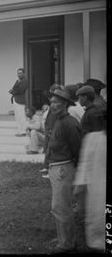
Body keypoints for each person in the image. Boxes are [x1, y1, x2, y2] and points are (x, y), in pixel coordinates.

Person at [45, 88, 82, 254]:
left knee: (61, 207)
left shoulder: (70, 123)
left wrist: (69, 168)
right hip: (55, 167)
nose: (53, 105)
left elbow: (77, 149)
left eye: (57, 102)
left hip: (63, 168)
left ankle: (67, 244)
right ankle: (64, 238)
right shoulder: (58, 120)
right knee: (59, 206)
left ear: (65, 104)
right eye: (52, 102)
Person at [73, 107, 106, 253]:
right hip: (97, 186)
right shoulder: (92, 138)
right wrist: (80, 185)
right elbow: (84, 164)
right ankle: (97, 245)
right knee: (97, 216)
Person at [9, 68, 28, 136]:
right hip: (15, 99)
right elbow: (13, 88)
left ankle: (23, 131)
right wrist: (13, 90)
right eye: (18, 73)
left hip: (20, 100)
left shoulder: (24, 81)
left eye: (20, 73)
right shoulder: (18, 81)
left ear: (23, 73)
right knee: (17, 116)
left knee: (21, 116)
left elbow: (20, 90)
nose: (19, 74)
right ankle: (19, 130)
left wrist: (13, 91)